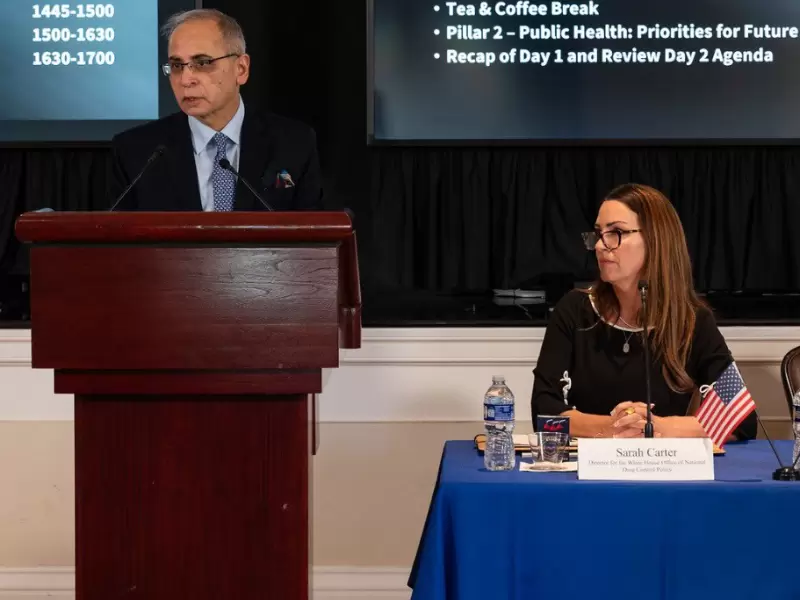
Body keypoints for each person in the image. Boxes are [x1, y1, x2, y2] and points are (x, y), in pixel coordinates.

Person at [531, 183, 757, 441]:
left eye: (616, 232)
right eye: (599, 233)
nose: (600, 245)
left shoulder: (692, 320)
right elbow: (543, 415)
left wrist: (658, 427)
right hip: (587, 462)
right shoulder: (574, 310)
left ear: (656, 240)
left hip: (663, 462)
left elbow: (741, 419)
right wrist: (613, 426)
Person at [108, 9, 322, 211]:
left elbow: (313, 233)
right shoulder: (136, 153)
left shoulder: (294, 143)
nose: (185, 80)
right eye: (177, 66)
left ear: (241, 69)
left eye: (203, 63)